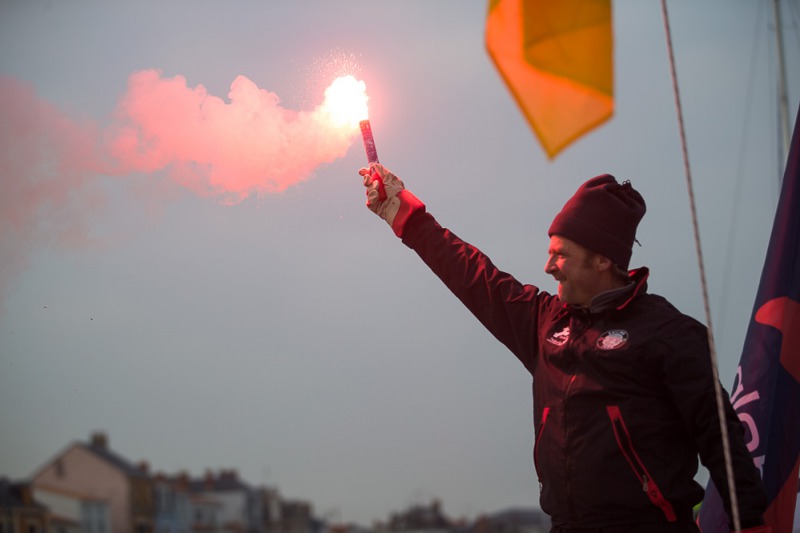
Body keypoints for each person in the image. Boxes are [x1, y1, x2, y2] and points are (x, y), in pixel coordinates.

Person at [358, 163, 769, 533]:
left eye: (561, 255)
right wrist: (406, 217)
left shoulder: (668, 333)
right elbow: (473, 275)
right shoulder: (544, 322)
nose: (548, 266)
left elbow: (721, 437)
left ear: (602, 261)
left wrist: (751, 523)